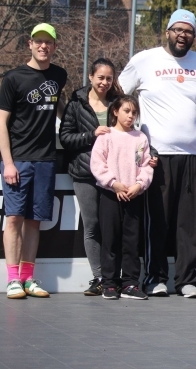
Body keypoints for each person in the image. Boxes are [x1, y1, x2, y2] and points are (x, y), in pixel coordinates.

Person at [118, 9, 196, 298]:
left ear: (194, 36)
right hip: (155, 156)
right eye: (177, 29)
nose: (182, 35)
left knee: (190, 223)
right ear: (167, 32)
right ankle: (155, 277)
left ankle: (187, 279)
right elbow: (121, 98)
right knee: (158, 221)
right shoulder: (144, 60)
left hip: (193, 154)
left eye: (188, 31)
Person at [0, 23, 67, 299]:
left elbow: (62, 108)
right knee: (14, 218)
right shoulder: (13, 78)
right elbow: (1, 122)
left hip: (46, 160)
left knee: (35, 221)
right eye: (38, 41)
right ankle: (12, 279)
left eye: (48, 42)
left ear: (54, 46)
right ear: (29, 44)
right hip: (19, 160)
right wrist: (9, 163)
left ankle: (27, 279)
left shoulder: (59, 75)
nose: (43, 46)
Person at [59, 58, 123, 296]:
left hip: (112, 175)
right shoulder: (76, 101)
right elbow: (65, 137)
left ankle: (114, 276)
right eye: (100, 77)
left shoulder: (118, 102)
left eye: (109, 78)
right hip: (84, 173)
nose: (104, 82)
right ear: (91, 77)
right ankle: (98, 277)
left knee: (113, 226)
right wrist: (92, 134)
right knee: (92, 225)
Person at [89, 95, 153, 300]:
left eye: (134, 112)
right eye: (126, 111)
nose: (131, 116)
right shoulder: (106, 137)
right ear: (115, 111)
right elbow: (97, 164)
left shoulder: (141, 138)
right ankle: (109, 283)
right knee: (110, 239)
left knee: (132, 241)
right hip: (110, 195)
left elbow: (145, 165)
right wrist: (113, 183)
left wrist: (138, 185)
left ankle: (130, 283)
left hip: (134, 196)